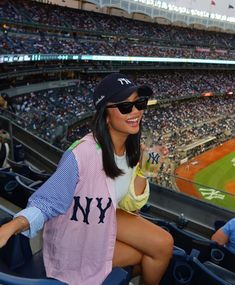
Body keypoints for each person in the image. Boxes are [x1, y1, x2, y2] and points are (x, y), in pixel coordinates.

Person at [0, 73, 173, 285]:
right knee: (145, 255)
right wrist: (11, 226)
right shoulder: (81, 154)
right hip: (74, 237)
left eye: (140, 103)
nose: (136, 111)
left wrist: (144, 172)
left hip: (100, 220)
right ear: (105, 114)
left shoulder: (131, 149)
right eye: (126, 107)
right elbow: (47, 203)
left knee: (162, 245)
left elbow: (129, 202)